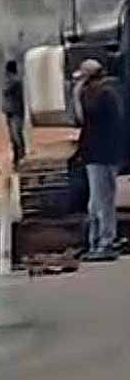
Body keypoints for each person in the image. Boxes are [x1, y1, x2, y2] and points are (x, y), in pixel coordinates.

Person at [74, 59, 123, 262]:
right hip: (104, 153)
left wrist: (76, 93)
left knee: (100, 200)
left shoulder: (97, 94)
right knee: (101, 200)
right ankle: (100, 240)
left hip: (99, 154)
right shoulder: (108, 92)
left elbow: (80, 118)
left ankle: (103, 242)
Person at [3, 60, 26, 168]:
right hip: (11, 112)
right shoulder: (13, 80)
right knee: (14, 137)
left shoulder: (14, 81)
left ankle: (21, 157)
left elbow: (5, 90)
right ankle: (17, 158)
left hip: (15, 112)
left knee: (16, 136)